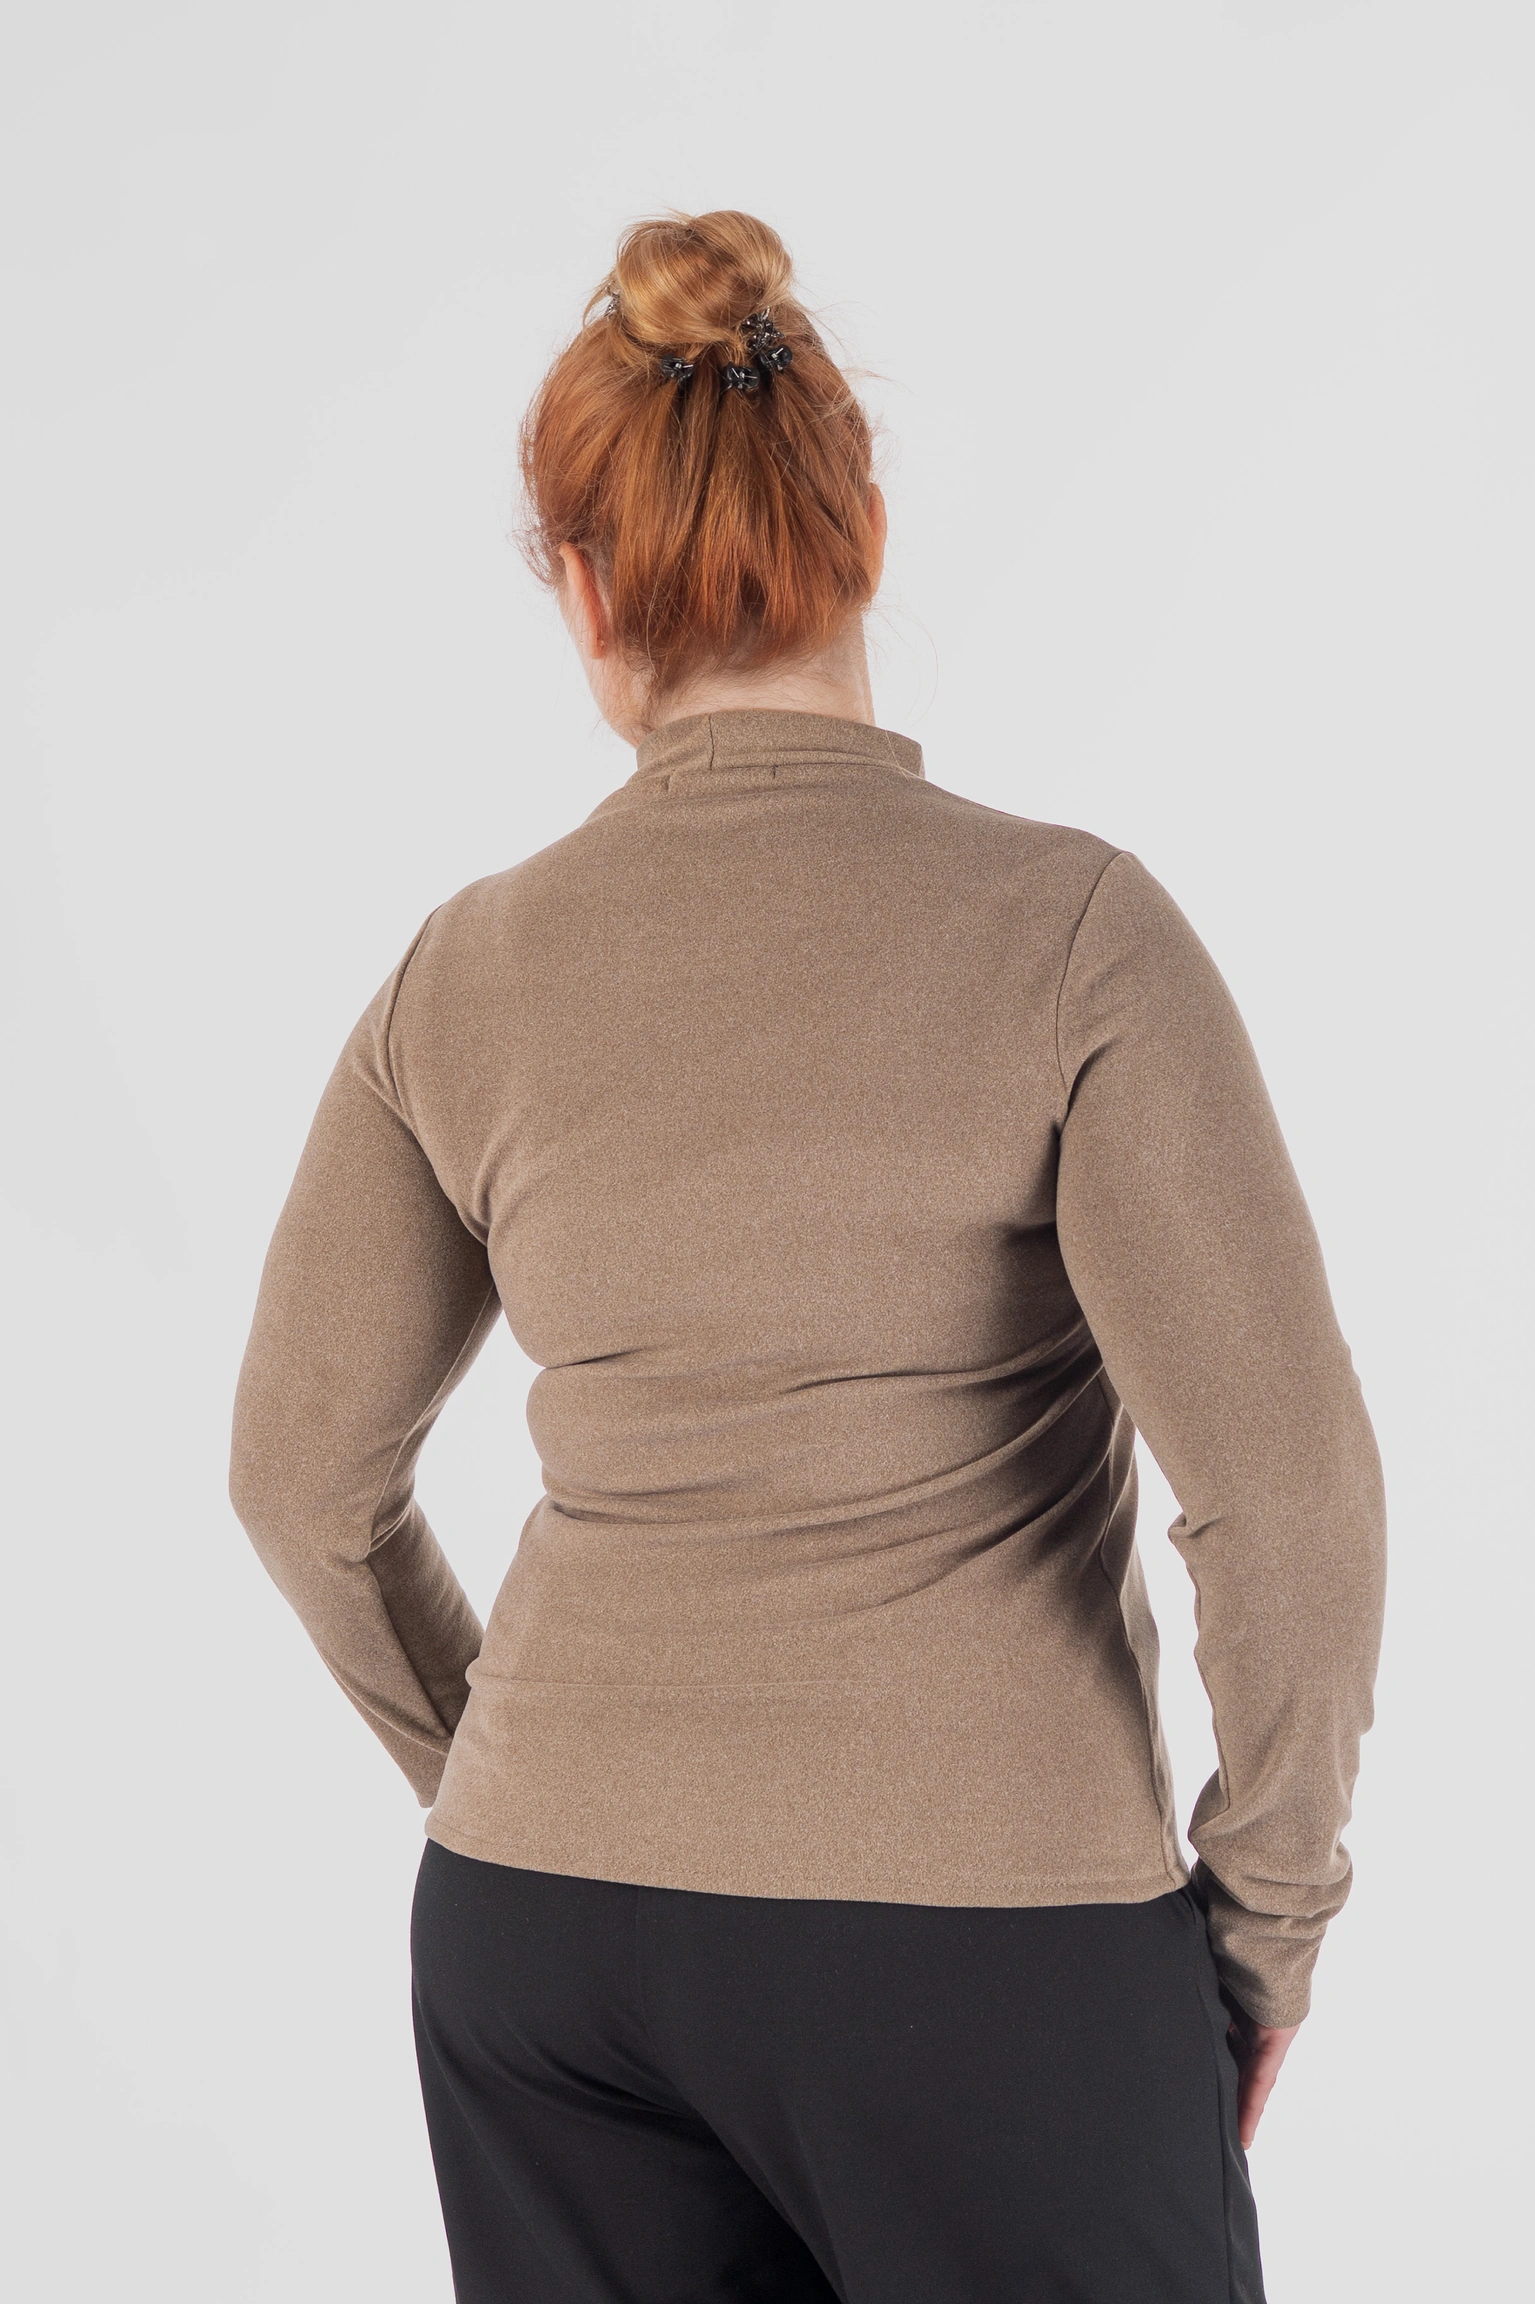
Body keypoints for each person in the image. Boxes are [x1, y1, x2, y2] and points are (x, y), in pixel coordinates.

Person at [229, 210, 1386, 2304]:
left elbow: (299, 1482)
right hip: (990, 1949)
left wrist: (508, 1779)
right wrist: (1259, 1931)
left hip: (548, 1951)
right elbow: (1286, 1501)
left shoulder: (459, 975)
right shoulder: (1071, 937)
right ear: (858, 529)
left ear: (583, 588)